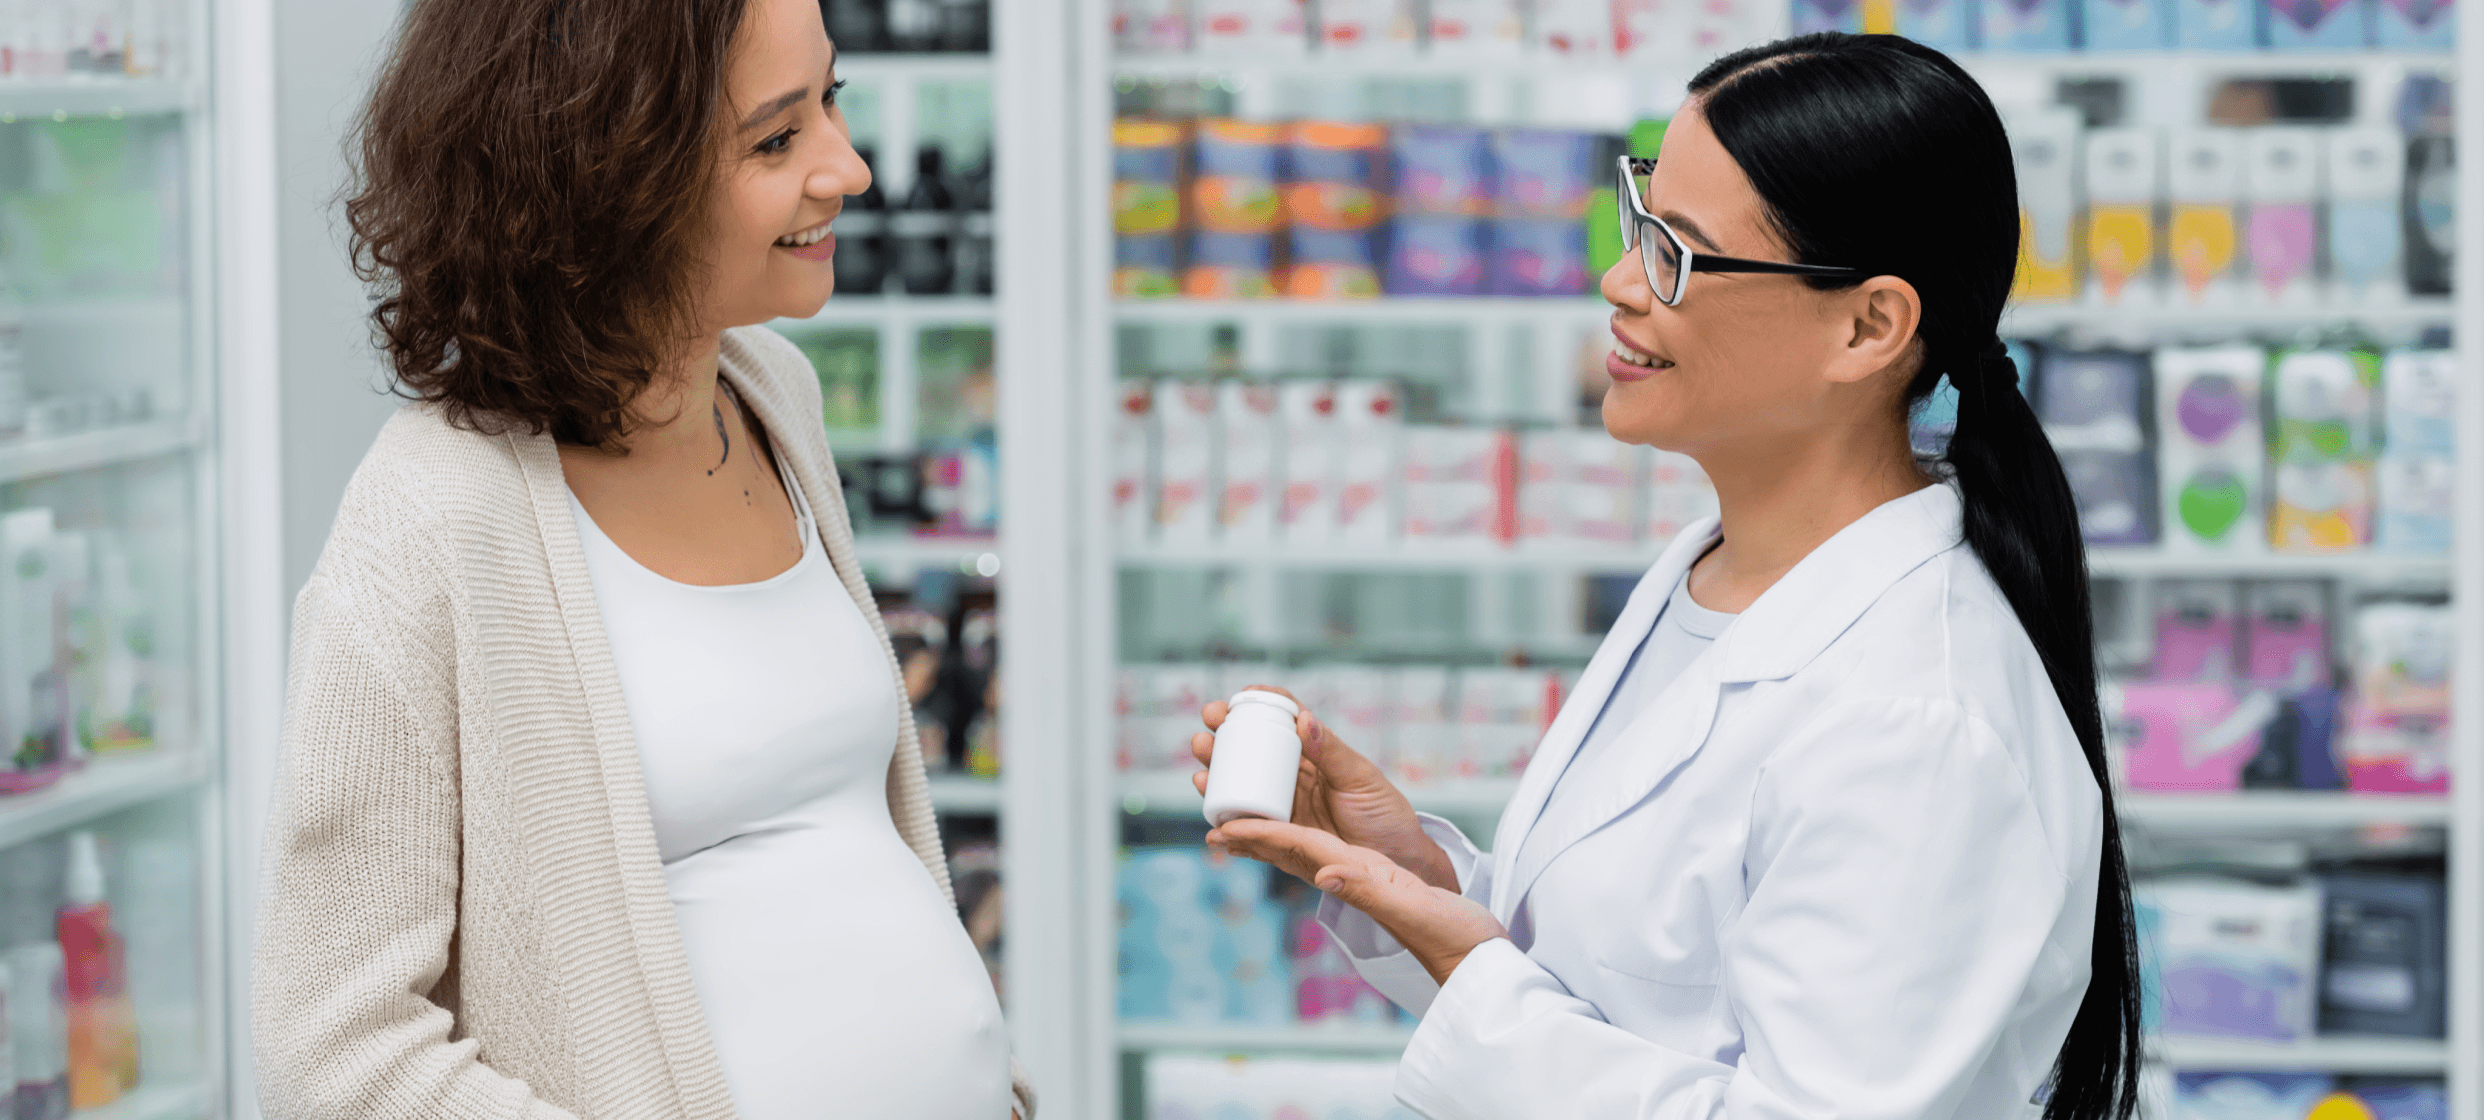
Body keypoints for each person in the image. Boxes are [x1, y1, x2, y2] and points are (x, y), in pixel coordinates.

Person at [1194, 33, 2139, 1120]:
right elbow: (1635, 982)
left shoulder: (1918, 722)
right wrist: (1422, 887)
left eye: (1676, 253)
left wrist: (1477, 981)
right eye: (1638, 219)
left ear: (1868, 324)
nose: (1618, 280)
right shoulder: (1716, 577)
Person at [251, 0, 1031, 1117]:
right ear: (610, 177)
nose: (847, 169)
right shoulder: (433, 517)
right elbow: (334, 1052)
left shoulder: (772, 396)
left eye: (832, 101)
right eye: (776, 138)